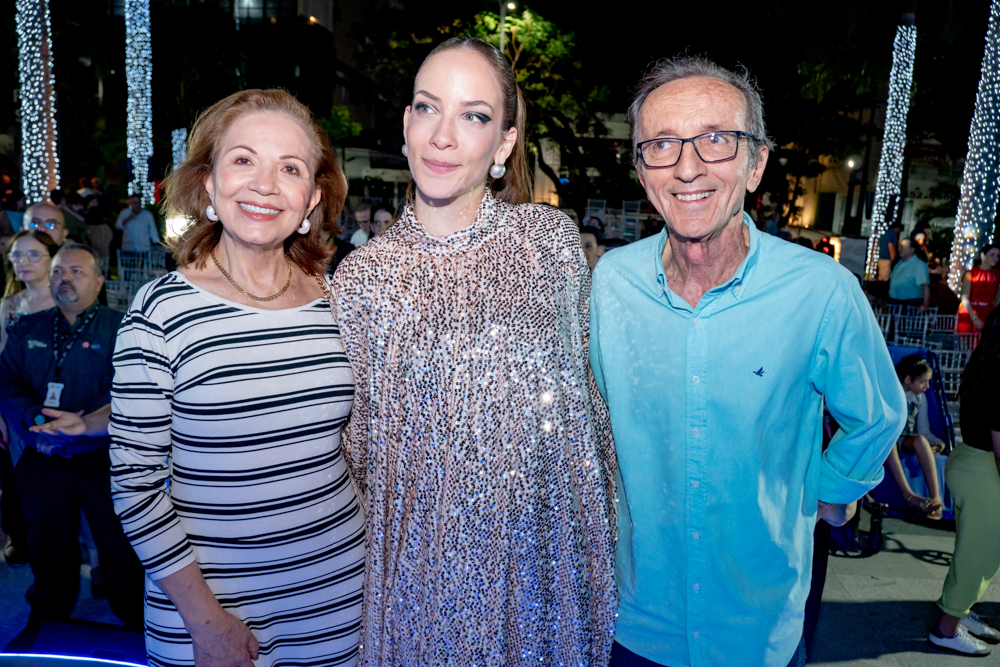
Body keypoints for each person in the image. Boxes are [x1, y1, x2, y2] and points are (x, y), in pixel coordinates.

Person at [590, 56, 905, 667]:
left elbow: (878, 413)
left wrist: (828, 495)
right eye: (660, 145)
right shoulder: (609, 284)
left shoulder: (820, 291)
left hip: (760, 630)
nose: (687, 167)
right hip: (635, 626)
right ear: (640, 169)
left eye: (715, 140)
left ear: (756, 163)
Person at [331, 37, 617, 665]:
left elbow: (581, 414)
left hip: (544, 576)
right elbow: (357, 454)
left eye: (474, 115)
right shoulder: (360, 280)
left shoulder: (550, 244)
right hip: (418, 584)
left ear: (504, 144)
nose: (443, 136)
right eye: (428, 108)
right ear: (406, 124)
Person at [108, 89, 364, 667]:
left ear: (312, 199)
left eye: (290, 168)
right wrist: (207, 623)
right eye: (244, 159)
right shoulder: (160, 311)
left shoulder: (340, 302)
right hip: (211, 616)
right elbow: (135, 485)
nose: (266, 184)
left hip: (340, 601)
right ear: (208, 185)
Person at [0, 243, 145, 645]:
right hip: (42, 453)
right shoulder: (28, 327)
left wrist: (83, 425)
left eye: (77, 272)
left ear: (100, 281)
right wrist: (33, 420)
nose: (66, 278)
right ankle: (47, 614)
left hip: (102, 456)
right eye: (60, 271)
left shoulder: (123, 328)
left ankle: (134, 617)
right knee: (47, 542)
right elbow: (6, 380)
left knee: (116, 540)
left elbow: (132, 391)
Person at [928, 308, 1000, 655]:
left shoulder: (984, 365)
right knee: (979, 560)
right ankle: (946, 628)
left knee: (971, 554)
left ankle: (960, 611)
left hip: (969, 462)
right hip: (986, 474)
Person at [0, 230, 59, 566]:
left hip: (60, 407)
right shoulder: (8, 307)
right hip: (15, 410)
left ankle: (94, 559)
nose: (23, 262)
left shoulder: (66, 299)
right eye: (17, 255)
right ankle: (26, 543)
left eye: (33, 254)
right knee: (21, 483)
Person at [882, 355, 945, 519]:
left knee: (921, 441)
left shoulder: (919, 397)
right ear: (908, 379)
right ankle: (907, 494)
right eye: (923, 382)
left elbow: (923, 431)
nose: (927, 387)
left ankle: (935, 498)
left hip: (906, 438)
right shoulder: (890, 392)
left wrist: (937, 443)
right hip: (888, 437)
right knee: (891, 442)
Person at [957, 244, 1000, 333]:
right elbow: (965, 298)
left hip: (988, 311)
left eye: (997, 256)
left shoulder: (996, 274)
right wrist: (974, 317)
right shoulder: (970, 274)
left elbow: (997, 297)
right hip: (971, 311)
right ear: (983, 255)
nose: (996, 258)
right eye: (992, 255)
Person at [888, 237, 930, 312]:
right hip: (894, 303)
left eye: (903, 246)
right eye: (900, 246)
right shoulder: (898, 263)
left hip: (910, 304)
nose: (900, 249)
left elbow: (925, 286)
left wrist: (925, 304)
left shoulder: (919, 265)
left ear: (912, 249)